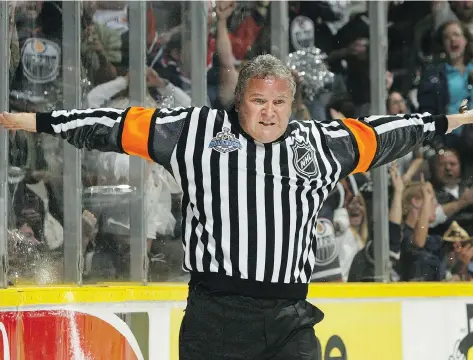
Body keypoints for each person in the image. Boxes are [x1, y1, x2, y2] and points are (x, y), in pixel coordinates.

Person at [0, 54, 471, 360]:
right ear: (239, 102)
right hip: (216, 319)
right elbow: (113, 126)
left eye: (280, 102)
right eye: (259, 100)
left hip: (290, 320)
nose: (270, 112)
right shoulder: (195, 132)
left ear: (292, 104)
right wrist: (36, 120)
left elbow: (394, 131)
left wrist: (454, 118)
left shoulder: (323, 144)